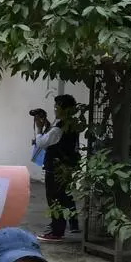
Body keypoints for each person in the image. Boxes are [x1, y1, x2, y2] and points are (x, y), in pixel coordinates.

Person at [34, 94, 81, 240]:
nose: (55, 109)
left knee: (54, 198)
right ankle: (71, 225)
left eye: (57, 107)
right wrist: (48, 124)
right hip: (67, 165)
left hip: (55, 167)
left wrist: (39, 129)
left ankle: (56, 231)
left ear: (65, 109)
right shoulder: (71, 123)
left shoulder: (59, 127)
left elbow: (42, 143)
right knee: (64, 195)